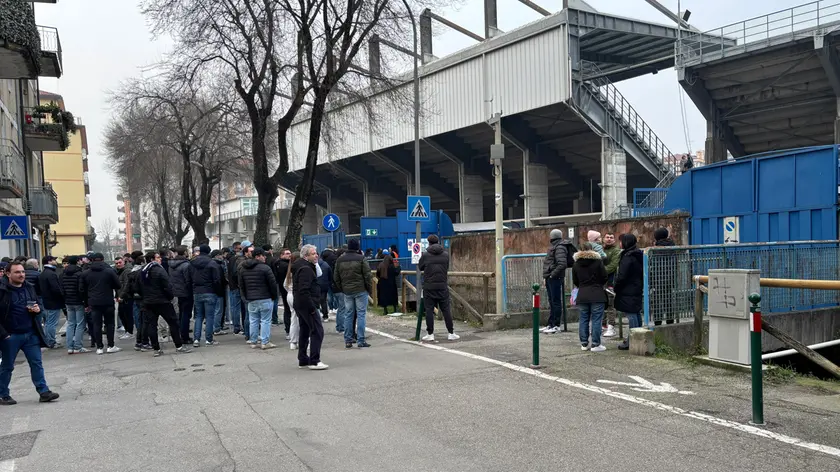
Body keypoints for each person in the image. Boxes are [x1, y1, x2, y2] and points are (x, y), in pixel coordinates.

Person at [0, 261, 60, 405]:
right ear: (8, 274)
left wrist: (37, 309)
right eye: (17, 272)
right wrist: (4, 334)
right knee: (7, 366)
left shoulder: (29, 287)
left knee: (36, 363)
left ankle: (43, 391)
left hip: (30, 333)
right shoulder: (2, 291)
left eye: (22, 272)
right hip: (10, 335)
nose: (21, 275)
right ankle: (3, 394)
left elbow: (37, 303)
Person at [138, 252, 192, 357]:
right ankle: (179, 346)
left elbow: (138, 287)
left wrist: (145, 296)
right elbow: (167, 285)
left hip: (148, 301)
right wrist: (170, 296)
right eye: (158, 257)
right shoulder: (159, 270)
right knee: (173, 323)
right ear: (152, 259)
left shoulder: (143, 271)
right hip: (162, 301)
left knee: (152, 325)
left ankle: (156, 349)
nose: (160, 259)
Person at [418, 234, 459, 342]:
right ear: (438, 242)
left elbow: (420, 267)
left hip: (429, 287)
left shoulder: (425, 255)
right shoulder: (445, 255)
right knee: (446, 310)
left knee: (429, 310)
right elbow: (446, 267)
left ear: (429, 243)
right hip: (442, 286)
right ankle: (451, 333)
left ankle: (430, 334)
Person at [293, 245, 328, 370]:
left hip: (300, 303)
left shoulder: (302, 266)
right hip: (307, 304)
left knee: (305, 330)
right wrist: (312, 307)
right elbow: (304, 289)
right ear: (306, 256)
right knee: (317, 330)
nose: (316, 255)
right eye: (313, 254)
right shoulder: (306, 269)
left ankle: (303, 358)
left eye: (316, 253)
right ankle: (314, 360)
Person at [79, 253, 121, 355]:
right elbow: (118, 285)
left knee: (96, 324)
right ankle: (111, 345)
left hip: (93, 302)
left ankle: (99, 347)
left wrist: (86, 304)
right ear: (103, 259)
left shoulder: (85, 273)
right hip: (107, 301)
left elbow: (81, 290)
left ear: (91, 260)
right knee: (110, 323)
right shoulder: (109, 272)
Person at [334, 239, 372, 349]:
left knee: (348, 314)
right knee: (361, 314)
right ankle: (361, 340)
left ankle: (348, 340)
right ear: (357, 247)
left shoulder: (340, 260)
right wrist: (368, 289)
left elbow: (336, 277)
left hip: (347, 291)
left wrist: (342, 288)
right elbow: (367, 275)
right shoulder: (361, 259)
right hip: (360, 290)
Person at [239, 247, 279, 350]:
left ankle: (253, 341)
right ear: (258, 256)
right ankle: (265, 342)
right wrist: (274, 296)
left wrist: (245, 297)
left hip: (251, 299)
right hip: (265, 297)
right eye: (263, 255)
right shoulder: (265, 268)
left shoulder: (243, 268)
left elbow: (241, 285)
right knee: (265, 320)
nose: (265, 257)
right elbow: (273, 284)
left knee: (253, 320)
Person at [572, 242, 608, 352]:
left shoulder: (576, 264)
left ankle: (584, 343)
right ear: (592, 249)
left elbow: (575, 281)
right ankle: (596, 344)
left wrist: (582, 286)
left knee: (583, 319)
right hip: (597, 294)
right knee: (596, 319)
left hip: (582, 294)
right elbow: (604, 277)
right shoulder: (598, 262)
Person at [541, 229, 576, 334]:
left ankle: (556, 325)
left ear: (552, 237)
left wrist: (552, 275)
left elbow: (562, 264)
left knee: (555, 301)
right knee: (552, 301)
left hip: (555, 277)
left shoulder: (559, 247)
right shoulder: (556, 246)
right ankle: (550, 324)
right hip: (551, 277)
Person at [614, 234, 644, 351]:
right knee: (636, 312)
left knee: (631, 314)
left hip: (627, 289)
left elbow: (622, 275)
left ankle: (631, 340)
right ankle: (638, 337)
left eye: (621, 241)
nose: (619, 244)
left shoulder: (627, 256)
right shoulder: (638, 254)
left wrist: (616, 287)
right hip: (636, 286)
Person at [190, 245, 223, 347]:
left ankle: (196, 339)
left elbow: (189, 277)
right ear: (209, 252)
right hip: (210, 291)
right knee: (209, 316)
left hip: (197, 291)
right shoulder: (212, 263)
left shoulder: (192, 263)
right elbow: (217, 280)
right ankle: (209, 339)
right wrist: (219, 292)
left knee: (198, 316)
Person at [60, 256, 87, 354]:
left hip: (68, 301)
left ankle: (70, 347)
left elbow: (61, 288)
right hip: (78, 301)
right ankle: (78, 346)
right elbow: (81, 289)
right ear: (77, 262)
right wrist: (84, 300)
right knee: (80, 324)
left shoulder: (63, 274)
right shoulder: (80, 273)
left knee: (70, 323)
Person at [652, 227, 676, 326]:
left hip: (658, 277)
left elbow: (653, 264)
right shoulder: (672, 246)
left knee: (657, 301)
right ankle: (670, 321)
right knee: (668, 299)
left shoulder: (657, 248)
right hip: (670, 277)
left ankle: (658, 322)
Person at [37, 256, 63, 349]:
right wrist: (62, 296)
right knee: (52, 322)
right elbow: (55, 288)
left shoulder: (43, 273)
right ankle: (51, 341)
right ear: (49, 261)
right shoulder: (51, 274)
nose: (55, 261)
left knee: (48, 322)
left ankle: (48, 340)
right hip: (53, 301)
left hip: (46, 300)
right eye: (54, 260)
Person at [169, 246, 193, 344]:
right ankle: (185, 336)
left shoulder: (171, 264)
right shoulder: (186, 265)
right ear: (184, 253)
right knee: (186, 315)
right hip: (186, 292)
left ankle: (180, 334)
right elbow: (188, 280)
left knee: (181, 314)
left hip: (176, 291)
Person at [602, 232, 621, 338]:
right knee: (601, 303)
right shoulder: (601, 249)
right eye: (607, 237)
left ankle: (611, 326)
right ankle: (602, 325)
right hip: (600, 281)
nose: (609, 239)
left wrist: (600, 271)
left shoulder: (616, 250)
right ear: (604, 239)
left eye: (611, 237)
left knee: (610, 304)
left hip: (610, 280)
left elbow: (613, 265)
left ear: (614, 240)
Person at [272, 248, 292, 339]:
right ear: (282, 255)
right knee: (289, 310)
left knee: (288, 310)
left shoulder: (277, 264)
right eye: (287, 253)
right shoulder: (285, 265)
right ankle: (289, 330)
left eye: (290, 253)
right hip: (286, 290)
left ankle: (288, 330)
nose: (289, 255)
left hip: (283, 289)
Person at [284, 252, 301, 350]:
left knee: (294, 318)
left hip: (290, 294)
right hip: (296, 294)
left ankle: (293, 341)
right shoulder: (299, 269)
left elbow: (285, 285)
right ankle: (301, 340)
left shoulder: (289, 270)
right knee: (302, 319)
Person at [226, 242, 244, 335]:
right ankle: (238, 326)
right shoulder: (237, 259)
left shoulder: (229, 259)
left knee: (234, 307)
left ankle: (236, 326)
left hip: (233, 286)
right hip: (237, 286)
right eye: (240, 249)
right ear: (236, 249)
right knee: (238, 307)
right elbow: (235, 273)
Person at [211, 250, 229, 335]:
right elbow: (219, 279)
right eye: (221, 255)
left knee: (213, 311)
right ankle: (217, 328)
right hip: (218, 291)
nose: (222, 256)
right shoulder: (218, 265)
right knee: (218, 310)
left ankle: (213, 327)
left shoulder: (210, 264)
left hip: (209, 290)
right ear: (217, 255)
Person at [317, 257, 332, 321]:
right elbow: (330, 275)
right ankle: (325, 316)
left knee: (315, 300)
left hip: (315, 285)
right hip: (324, 285)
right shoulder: (326, 264)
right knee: (323, 301)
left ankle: (317, 315)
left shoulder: (310, 264)